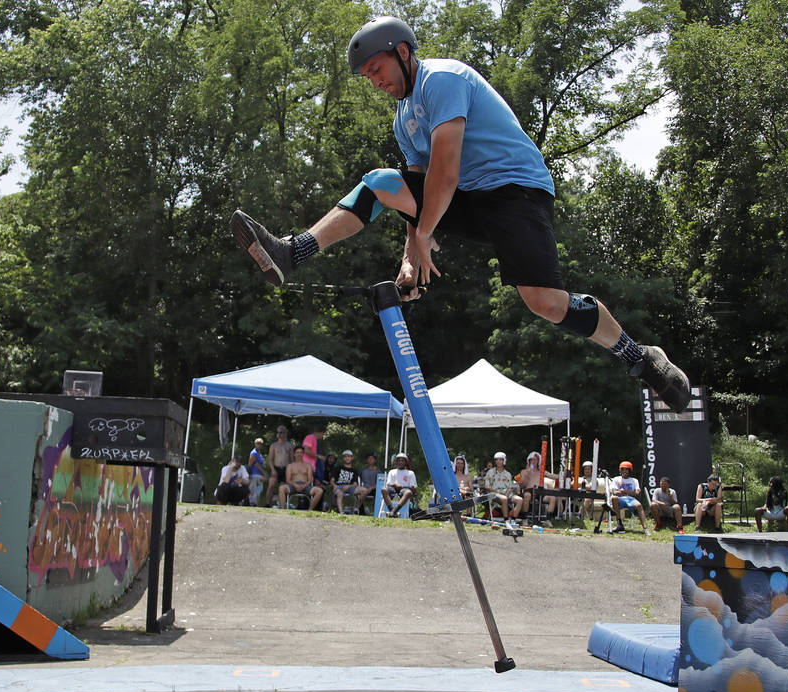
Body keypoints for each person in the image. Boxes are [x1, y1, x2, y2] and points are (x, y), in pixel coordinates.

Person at [230, 16, 691, 414]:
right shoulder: (402, 118)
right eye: (367, 77)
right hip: (467, 200)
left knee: (545, 302)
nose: (375, 82)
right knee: (379, 182)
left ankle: (640, 355)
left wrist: (427, 233)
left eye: (377, 69)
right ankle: (292, 252)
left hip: (515, 193)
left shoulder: (443, 80)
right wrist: (411, 258)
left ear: (403, 52)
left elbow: (444, 174)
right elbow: (415, 190)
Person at [278, 445, 324, 511]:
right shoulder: (290, 466)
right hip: (293, 485)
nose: (299, 454)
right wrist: (295, 485)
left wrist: (304, 485)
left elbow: (310, 479)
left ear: (303, 454)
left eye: (301, 452)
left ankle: (310, 510)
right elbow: (288, 480)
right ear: (294, 454)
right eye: (297, 452)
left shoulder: (308, 465)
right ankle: (282, 510)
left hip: (305, 485)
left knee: (319, 491)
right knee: (281, 488)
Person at [610, 461, 648, 533]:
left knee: (639, 505)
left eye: (626, 469)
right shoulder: (616, 479)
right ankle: (619, 524)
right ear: (620, 470)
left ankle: (645, 528)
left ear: (630, 471)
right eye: (623, 469)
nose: (624, 471)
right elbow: (614, 492)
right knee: (614, 498)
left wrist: (625, 491)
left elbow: (637, 493)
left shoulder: (634, 480)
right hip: (619, 499)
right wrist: (623, 492)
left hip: (630, 499)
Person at [482, 452, 522, 519]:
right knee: (504, 499)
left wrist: (507, 493)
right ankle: (506, 519)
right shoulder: (490, 472)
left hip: (507, 494)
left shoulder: (508, 474)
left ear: (504, 461)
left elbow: (510, 487)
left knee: (519, 500)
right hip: (494, 494)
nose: (498, 461)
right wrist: (498, 492)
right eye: (496, 460)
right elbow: (487, 487)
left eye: (500, 460)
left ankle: (513, 519)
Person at [265, 425, 294, 508]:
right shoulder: (274, 445)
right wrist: (273, 469)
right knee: (271, 485)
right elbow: (270, 459)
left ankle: (282, 505)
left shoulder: (290, 446)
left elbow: (292, 460)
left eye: (281, 432)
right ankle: (267, 504)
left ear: (285, 433)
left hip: (286, 468)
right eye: (278, 432)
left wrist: (290, 470)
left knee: (282, 487)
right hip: (276, 467)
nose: (279, 434)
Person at [382, 452, 418, 517]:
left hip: (404, 490)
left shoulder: (410, 473)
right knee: (384, 489)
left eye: (402, 460)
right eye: (399, 460)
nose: (400, 462)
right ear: (396, 462)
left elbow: (413, 487)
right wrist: (395, 485)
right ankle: (392, 510)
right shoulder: (392, 471)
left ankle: (394, 511)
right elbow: (388, 484)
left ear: (405, 462)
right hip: (392, 489)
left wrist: (402, 486)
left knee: (408, 492)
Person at [246, 437, 265, 506]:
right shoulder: (254, 454)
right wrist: (248, 476)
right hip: (254, 475)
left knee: (258, 491)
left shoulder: (259, 453)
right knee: (254, 492)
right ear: (255, 444)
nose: (259, 445)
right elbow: (249, 465)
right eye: (258, 444)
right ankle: (252, 504)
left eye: (260, 444)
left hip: (259, 474)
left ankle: (257, 506)